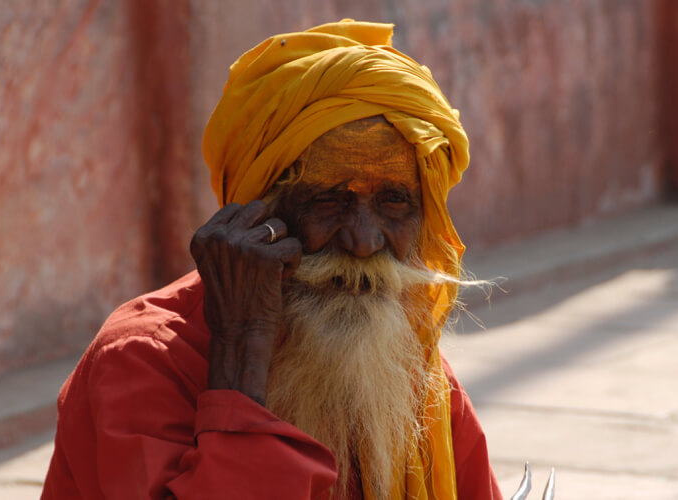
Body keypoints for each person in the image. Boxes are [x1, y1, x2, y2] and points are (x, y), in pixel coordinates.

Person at [42, 20, 502, 499]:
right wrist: (241, 354)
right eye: (328, 199)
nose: (364, 241)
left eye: (394, 201)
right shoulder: (142, 360)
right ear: (260, 216)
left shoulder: (405, 365)